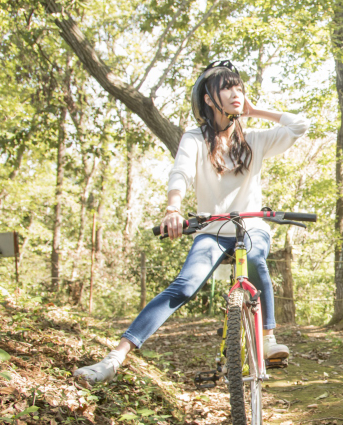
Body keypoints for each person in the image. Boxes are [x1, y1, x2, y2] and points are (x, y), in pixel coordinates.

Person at [74, 60, 309, 386]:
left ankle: (268, 339)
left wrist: (257, 111)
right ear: (209, 99)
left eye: (238, 87)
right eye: (226, 88)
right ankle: (115, 358)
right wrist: (173, 208)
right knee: (184, 285)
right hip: (211, 230)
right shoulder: (195, 138)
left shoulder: (254, 139)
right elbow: (180, 172)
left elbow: (300, 126)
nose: (235, 93)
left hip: (251, 226)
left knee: (255, 258)